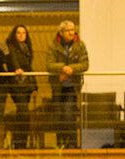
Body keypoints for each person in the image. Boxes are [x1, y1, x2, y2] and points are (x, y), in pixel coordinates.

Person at [46, 20, 89, 149]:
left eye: (72, 30)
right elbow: (49, 65)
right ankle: (60, 144)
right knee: (58, 115)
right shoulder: (53, 46)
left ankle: (72, 143)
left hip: (72, 87)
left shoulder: (79, 45)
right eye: (68, 30)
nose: (71, 32)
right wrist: (62, 68)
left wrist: (71, 69)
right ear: (61, 33)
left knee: (69, 114)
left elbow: (85, 64)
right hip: (58, 87)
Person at [6, 24, 37, 150]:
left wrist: (35, 85)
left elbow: (29, 67)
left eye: (23, 33)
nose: (21, 35)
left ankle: (22, 141)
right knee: (23, 112)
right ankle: (20, 142)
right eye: (19, 33)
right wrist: (17, 68)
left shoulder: (27, 48)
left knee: (24, 113)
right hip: (17, 84)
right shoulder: (11, 47)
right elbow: (13, 60)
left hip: (27, 85)